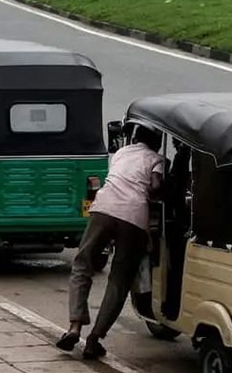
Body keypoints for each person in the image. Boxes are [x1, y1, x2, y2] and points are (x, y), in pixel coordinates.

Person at [57, 125, 164, 360]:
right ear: (156, 143)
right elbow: (156, 186)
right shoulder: (156, 159)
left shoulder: (122, 153)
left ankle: (74, 326)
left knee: (82, 265)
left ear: (134, 138)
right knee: (119, 279)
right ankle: (94, 339)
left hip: (104, 209)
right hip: (133, 217)